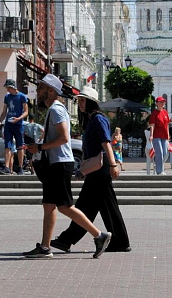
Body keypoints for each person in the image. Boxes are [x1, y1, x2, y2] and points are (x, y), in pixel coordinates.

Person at [22, 74, 111, 259]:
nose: (38, 92)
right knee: (49, 205)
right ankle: (45, 247)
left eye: (41, 88)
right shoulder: (53, 110)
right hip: (56, 163)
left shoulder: (56, 109)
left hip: (60, 164)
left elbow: (63, 138)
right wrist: (38, 149)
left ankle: (99, 235)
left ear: (51, 91)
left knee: (65, 207)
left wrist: (39, 147)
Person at [50, 86, 131, 254]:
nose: (80, 103)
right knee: (103, 207)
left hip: (101, 168)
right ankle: (119, 241)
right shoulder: (92, 119)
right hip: (97, 168)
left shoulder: (97, 119)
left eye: (82, 100)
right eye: (79, 100)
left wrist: (114, 165)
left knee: (85, 205)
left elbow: (106, 143)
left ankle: (67, 240)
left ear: (91, 102)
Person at [0, 78, 28, 175]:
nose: (7, 90)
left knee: (20, 146)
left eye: (8, 88)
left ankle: (20, 167)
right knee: (7, 145)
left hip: (18, 124)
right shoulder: (7, 97)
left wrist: (18, 118)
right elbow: (4, 111)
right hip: (8, 123)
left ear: (13, 87)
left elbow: (26, 111)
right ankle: (6, 167)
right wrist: (0, 122)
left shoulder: (22, 97)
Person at [148, 96, 170, 175]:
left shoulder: (165, 112)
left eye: (163, 102)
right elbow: (152, 125)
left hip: (164, 135)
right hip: (156, 135)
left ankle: (157, 162)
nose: (163, 103)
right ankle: (159, 171)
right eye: (161, 102)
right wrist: (151, 135)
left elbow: (167, 124)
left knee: (165, 153)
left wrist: (168, 134)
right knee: (159, 152)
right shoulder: (154, 113)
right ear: (157, 103)